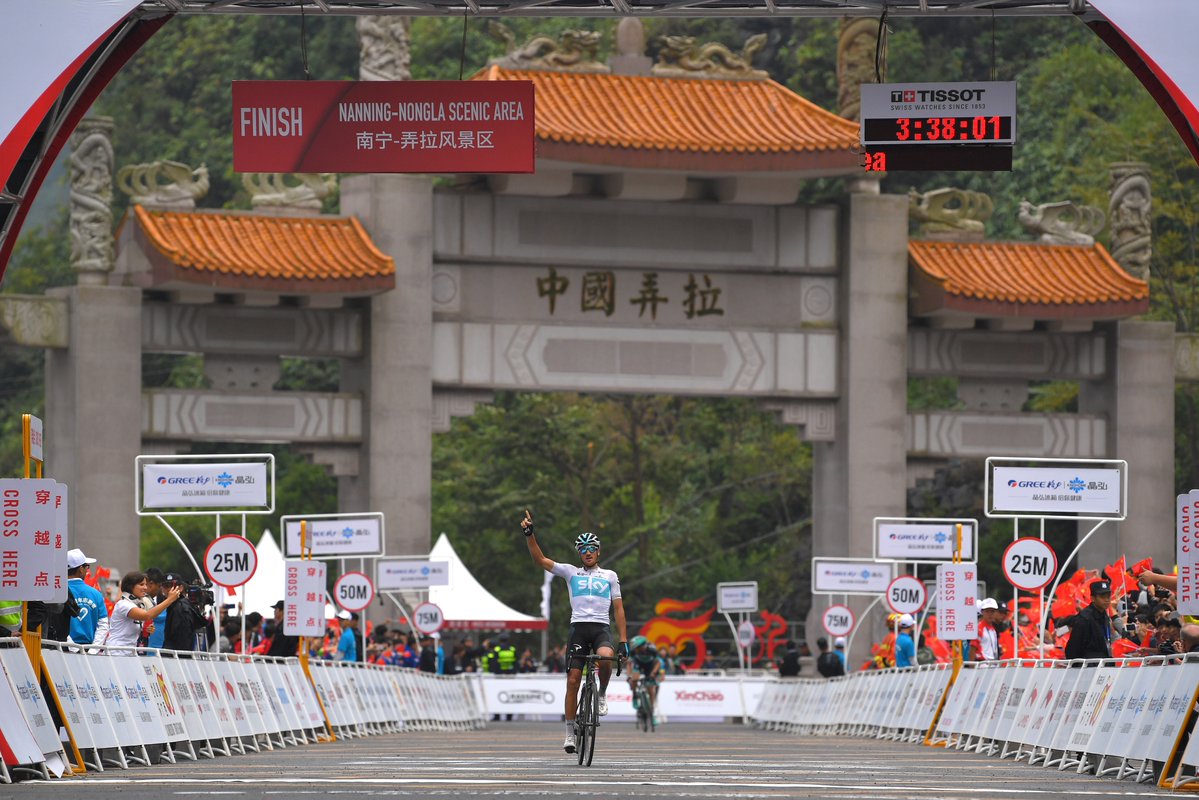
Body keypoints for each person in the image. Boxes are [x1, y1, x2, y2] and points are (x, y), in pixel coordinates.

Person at [521, 510, 628, 755]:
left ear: (598, 552)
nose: (588, 552)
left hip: (601, 628)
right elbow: (541, 560)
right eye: (583, 549)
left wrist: (623, 641)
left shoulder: (610, 576)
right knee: (572, 681)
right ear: (579, 553)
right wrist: (529, 535)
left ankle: (601, 694)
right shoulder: (570, 572)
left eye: (592, 548)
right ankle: (569, 731)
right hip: (578, 629)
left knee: (605, 657)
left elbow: (619, 610)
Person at [105, 571, 182, 651]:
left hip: (128, 652)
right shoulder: (123, 604)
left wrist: (146, 629)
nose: (145, 587)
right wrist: (170, 599)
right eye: (141, 584)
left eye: (145, 584)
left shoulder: (136, 604)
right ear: (130, 586)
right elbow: (147, 615)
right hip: (116, 652)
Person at [62, 549, 107, 645]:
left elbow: (57, 623)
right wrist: (93, 650)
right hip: (89, 651)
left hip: (61, 648)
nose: (87, 570)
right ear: (81, 569)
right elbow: (103, 625)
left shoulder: (57, 593)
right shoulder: (96, 594)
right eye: (87, 566)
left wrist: (73, 647)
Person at [1062, 580, 1116, 661]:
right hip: (1089, 665)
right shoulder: (1084, 618)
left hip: (1104, 662)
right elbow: (1073, 648)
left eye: (1108, 596)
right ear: (1092, 598)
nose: (1106, 600)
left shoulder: (1104, 615)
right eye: (1102, 596)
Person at [160, 573, 207, 652]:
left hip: (177, 655)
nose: (169, 589)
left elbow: (182, 638)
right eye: (166, 586)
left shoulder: (180, 606)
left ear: (181, 588)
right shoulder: (173, 605)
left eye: (172, 586)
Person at [627, 635, 663, 723]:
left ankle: (651, 711)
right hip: (638, 663)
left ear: (643, 646)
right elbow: (629, 664)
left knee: (651, 690)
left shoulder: (652, 649)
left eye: (638, 648)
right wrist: (629, 676)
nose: (636, 650)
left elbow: (658, 662)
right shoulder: (633, 651)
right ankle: (635, 695)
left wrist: (653, 673)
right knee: (634, 679)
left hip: (650, 666)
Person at [142, 568, 168, 648]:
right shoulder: (141, 600)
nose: (161, 590)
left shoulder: (151, 600)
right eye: (159, 586)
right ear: (151, 584)